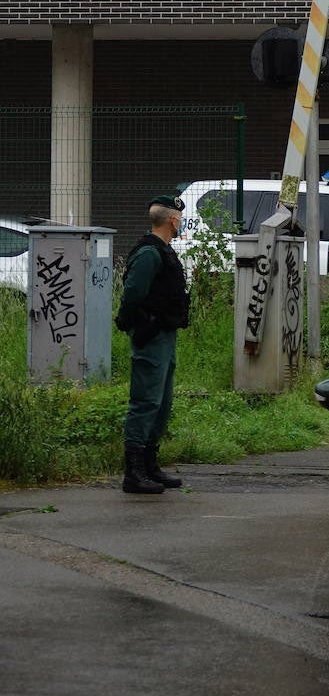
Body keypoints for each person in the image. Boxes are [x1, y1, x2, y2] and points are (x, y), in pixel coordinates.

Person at [115, 195, 191, 494]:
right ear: (172, 220)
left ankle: (149, 465)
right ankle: (133, 472)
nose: (180, 221)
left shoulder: (163, 251)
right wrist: (134, 322)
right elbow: (133, 293)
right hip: (152, 334)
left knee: (161, 402)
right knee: (146, 401)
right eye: (179, 217)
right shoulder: (149, 253)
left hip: (165, 333)